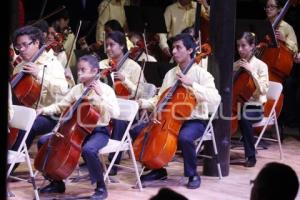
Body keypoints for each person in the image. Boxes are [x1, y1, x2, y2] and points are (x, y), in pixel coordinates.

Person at [131, 33, 220, 189]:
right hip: (168, 118)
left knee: (185, 138)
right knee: (136, 131)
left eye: (178, 48)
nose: (173, 51)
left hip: (195, 120)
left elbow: (215, 98)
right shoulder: (170, 74)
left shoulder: (202, 75)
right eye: (173, 48)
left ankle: (192, 174)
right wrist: (142, 103)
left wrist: (192, 84)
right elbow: (160, 99)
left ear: (191, 50)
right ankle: (157, 169)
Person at [35, 55, 120, 200]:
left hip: (99, 131)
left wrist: (101, 96)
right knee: (43, 141)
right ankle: (56, 181)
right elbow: (61, 106)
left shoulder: (106, 90)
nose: (79, 73)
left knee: (89, 149)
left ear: (94, 71)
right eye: (78, 70)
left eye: (83, 70)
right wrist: (43, 110)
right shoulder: (77, 89)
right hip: (76, 130)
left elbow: (116, 113)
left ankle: (100, 187)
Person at [11, 25, 69, 151]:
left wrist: (39, 74)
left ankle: (13, 162)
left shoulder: (52, 64)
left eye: (25, 45)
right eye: (18, 46)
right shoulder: (19, 67)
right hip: (26, 111)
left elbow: (63, 90)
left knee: (28, 125)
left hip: (49, 114)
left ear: (37, 43)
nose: (21, 49)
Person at [99, 30, 145, 175]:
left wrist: (125, 80)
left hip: (127, 110)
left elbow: (140, 93)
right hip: (105, 106)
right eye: (106, 45)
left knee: (119, 120)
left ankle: (113, 162)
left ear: (122, 47)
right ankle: (89, 157)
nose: (108, 49)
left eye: (112, 45)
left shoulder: (134, 67)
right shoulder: (102, 64)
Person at [233, 32, 269, 167]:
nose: (240, 49)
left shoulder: (261, 66)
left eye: (243, 46)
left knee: (244, 117)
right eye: (238, 46)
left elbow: (264, 89)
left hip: (255, 106)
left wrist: (251, 71)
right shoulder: (237, 64)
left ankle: (251, 155)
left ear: (253, 46)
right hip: (237, 104)